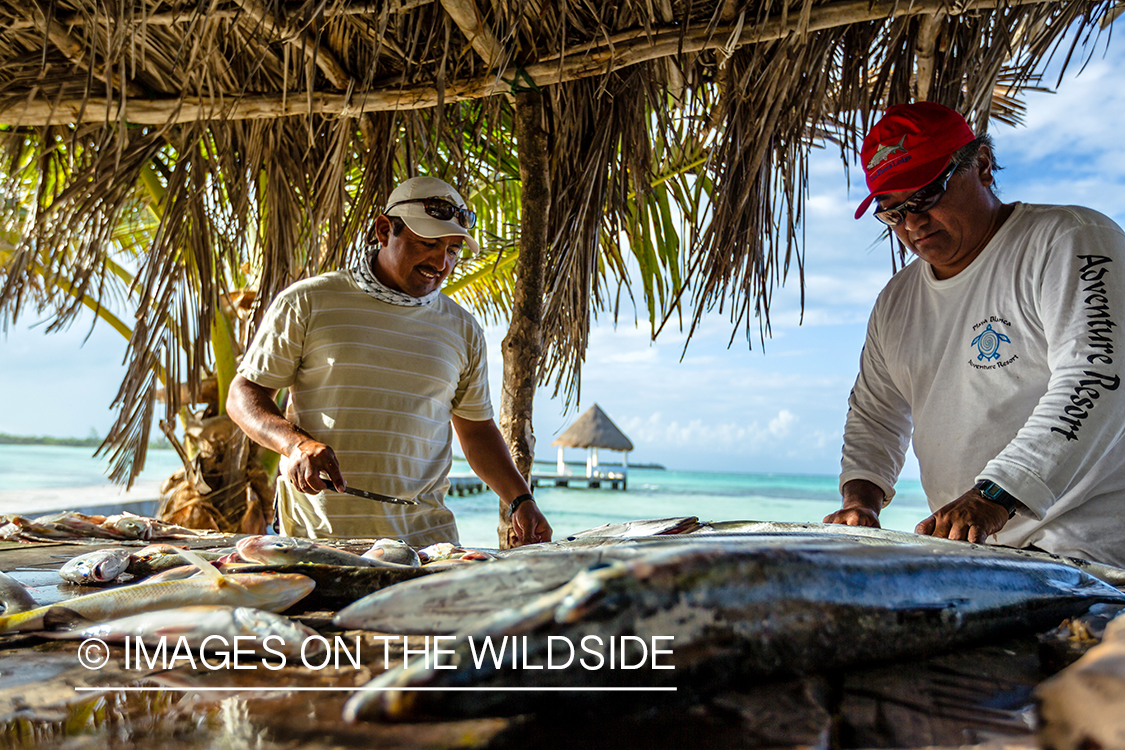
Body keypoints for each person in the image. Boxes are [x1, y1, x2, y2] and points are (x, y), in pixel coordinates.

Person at [824, 101, 1125, 568]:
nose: (912, 224)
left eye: (926, 196)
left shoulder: (1070, 239)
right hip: (977, 557)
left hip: (1089, 553)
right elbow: (876, 415)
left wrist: (994, 497)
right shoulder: (896, 302)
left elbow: (1097, 376)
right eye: (893, 212)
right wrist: (861, 499)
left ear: (982, 165)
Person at [227, 175, 553, 547]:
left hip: (427, 542)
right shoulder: (308, 302)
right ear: (384, 230)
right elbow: (243, 393)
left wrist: (521, 499)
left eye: (452, 250)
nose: (441, 262)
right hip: (319, 540)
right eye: (428, 243)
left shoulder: (463, 329)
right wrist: (295, 445)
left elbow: (477, 432)